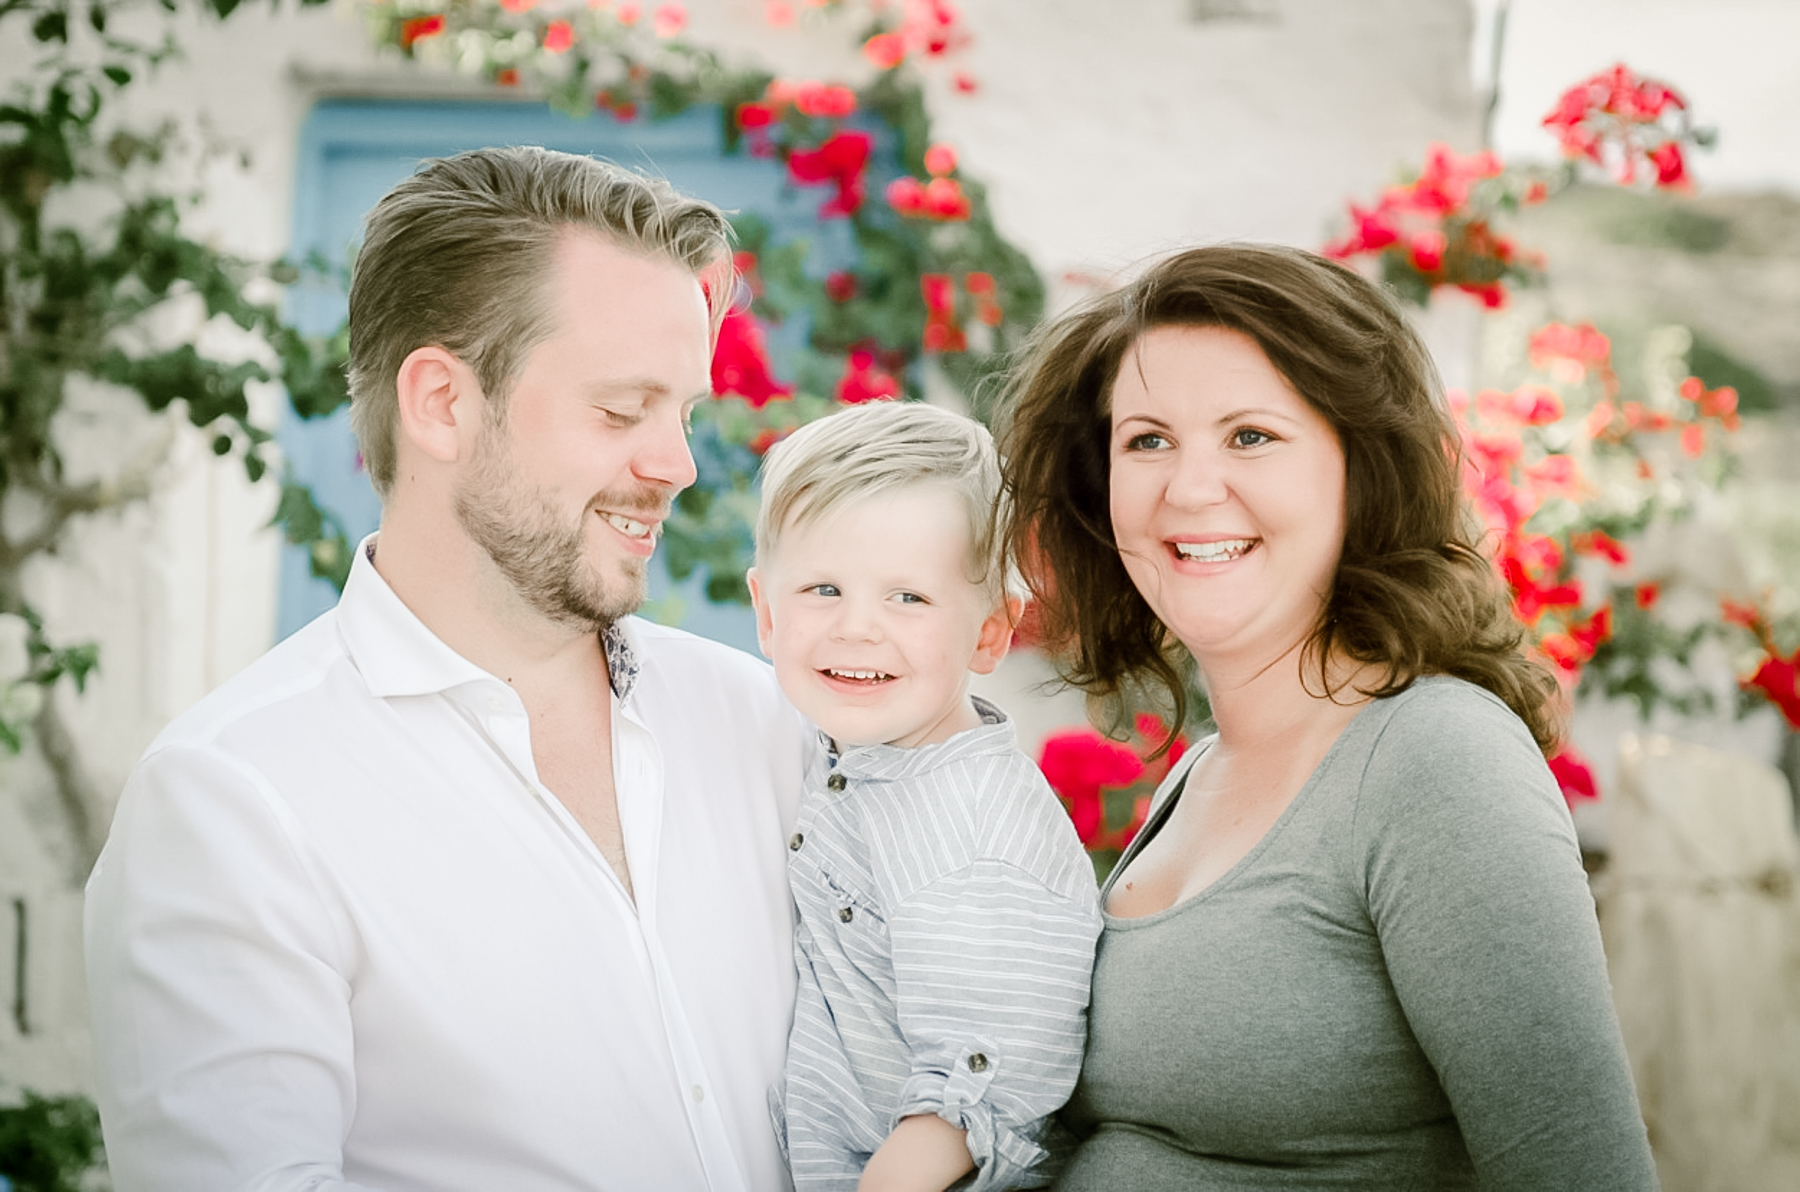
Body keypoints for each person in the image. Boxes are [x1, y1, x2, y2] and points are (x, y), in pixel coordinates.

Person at [84, 147, 812, 1192]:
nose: (678, 466)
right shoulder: (231, 800)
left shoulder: (762, 722)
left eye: (683, 414)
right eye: (621, 411)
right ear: (440, 403)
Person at [996, 244, 1659, 1189]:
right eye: (1146, 439)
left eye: (1250, 436)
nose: (1188, 488)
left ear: (1361, 469)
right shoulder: (1202, 772)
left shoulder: (1434, 760)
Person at [747, 402, 1102, 1192]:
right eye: (823, 588)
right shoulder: (848, 758)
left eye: (908, 598)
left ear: (988, 633)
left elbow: (977, 1092)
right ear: (766, 613)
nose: (858, 628)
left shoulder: (973, 832)